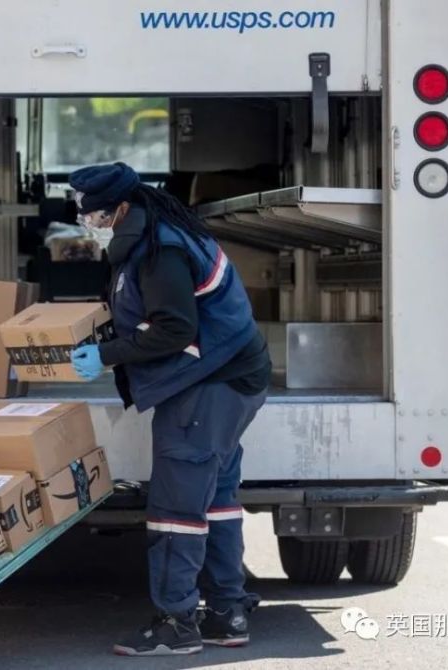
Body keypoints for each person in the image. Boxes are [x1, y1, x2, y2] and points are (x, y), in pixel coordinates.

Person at [68, 162, 271, 657]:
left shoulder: (161, 252)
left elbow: (174, 330)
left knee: (177, 509)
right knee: (216, 496)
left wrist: (107, 354)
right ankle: (227, 611)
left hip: (211, 385)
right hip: (230, 378)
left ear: (121, 208)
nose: (90, 225)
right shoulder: (156, 236)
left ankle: (177, 624)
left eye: (95, 216)